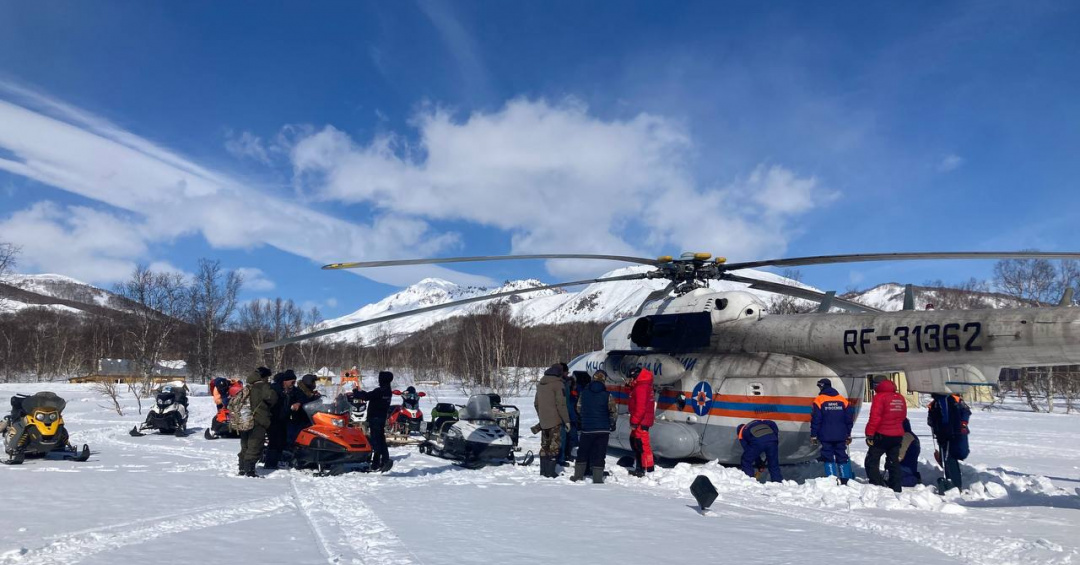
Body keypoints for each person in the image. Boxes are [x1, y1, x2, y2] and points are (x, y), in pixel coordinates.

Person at [573, 369, 618, 483]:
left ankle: (578, 476)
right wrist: (612, 423)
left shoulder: (584, 393)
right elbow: (613, 411)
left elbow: (578, 408)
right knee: (600, 453)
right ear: (603, 380)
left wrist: (584, 419)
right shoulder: (608, 395)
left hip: (587, 429)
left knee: (582, 452)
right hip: (603, 430)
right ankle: (597, 479)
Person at [864, 379, 907, 493]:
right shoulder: (900, 397)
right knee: (893, 461)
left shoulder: (879, 397)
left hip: (882, 434)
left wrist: (869, 434)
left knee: (871, 460)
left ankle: (876, 485)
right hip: (897, 435)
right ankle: (896, 486)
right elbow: (903, 416)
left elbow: (875, 418)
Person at [810, 378, 854, 485]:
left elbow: (816, 419)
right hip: (841, 434)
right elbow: (849, 418)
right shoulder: (842, 399)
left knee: (827, 456)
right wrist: (848, 433)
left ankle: (832, 479)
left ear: (822, 387)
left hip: (825, 435)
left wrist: (813, 435)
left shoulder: (819, 400)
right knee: (842, 456)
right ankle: (845, 479)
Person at [238, 367, 277, 478]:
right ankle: (249, 470)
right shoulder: (262, 386)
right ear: (264, 376)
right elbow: (271, 398)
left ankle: (242, 467)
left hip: (244, 419)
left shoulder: (248, 386)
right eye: (267, 377)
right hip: (258, 419)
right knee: (255, 445)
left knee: (245, 444)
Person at [928, 392, 971, 491]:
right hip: (943, 434)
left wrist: (962, 424)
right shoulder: (935, 403)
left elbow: (965, 411)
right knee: (946, 459)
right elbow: (932, 420)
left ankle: (955, 484)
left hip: (954, 434)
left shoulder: (953, 399)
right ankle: (951, 481)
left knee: (950, 458)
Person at [352, 371, 394, 472]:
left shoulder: (380, 391)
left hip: (375, 418)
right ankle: (385, 459)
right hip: (381, 418)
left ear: (382, 380)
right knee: (381, 439)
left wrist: (355, 392)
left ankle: (376, 463)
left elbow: (366, 397)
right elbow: (369, 395)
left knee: (376, 441)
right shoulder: (388, 391)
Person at [534, 363, 571, 478]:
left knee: (545, 446)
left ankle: (543, 471)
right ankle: (550, 472)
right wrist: (567, 421)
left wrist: (542, 416)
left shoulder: (540, 384)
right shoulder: (558, 384)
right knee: (554, 447)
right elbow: (561, 405)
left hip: (544, 421)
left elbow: (536, 403)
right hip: (555, 421)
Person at [264, 371, 298, 469]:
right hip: (274, 419)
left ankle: (278, 460)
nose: (293, 384)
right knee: (274, 442)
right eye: (292, 382)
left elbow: (299, 397)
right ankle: (270, 463)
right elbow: (275, 406)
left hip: (284, 420)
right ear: (285, 381)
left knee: (282, 441)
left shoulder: (291, 390)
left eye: (294, 382)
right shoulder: (275, 389)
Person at [627, 366, 656, 477]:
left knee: (642, 444)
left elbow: (640, 408)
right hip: (641, 420)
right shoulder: (642, 385)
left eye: (631, 378)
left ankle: (647, 469)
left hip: (641, 421)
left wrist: (634, 421)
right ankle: (641, 467)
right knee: (635, 442)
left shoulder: (641, 388)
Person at [889, 418, 922, 488]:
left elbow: (900, 456)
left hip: (905, 467)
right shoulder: (913, 436)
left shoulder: (906, 436)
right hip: (911, 466)